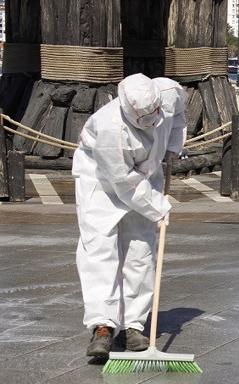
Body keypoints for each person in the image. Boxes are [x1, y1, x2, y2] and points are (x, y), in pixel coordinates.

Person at [73, 73, 186, 359]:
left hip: (145, 177)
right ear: (126, 109)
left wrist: (172, 147)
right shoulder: (109, 126)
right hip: (101, 181)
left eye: (155, 113)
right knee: (100, 249)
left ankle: (134, 324)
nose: (151, 120)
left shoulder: (169, 93)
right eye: (143, 118)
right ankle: (103, 325)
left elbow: (180, 116)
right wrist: (158, 206)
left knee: (141, 247)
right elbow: (123, 182)